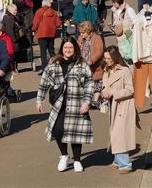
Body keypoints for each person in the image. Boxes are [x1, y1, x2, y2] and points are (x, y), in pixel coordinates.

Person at [36, 37, 94, 173]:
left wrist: (87, 102)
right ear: (62, 48)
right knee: (57, 130)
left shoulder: (82, 64)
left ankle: (78, 160)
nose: (68, 50)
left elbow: (89, 83)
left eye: (71, 47)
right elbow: (44, 81)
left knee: (75, 132)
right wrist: (39, 100)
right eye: (65, 47)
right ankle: (64, 155)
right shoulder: (53, 63)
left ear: (75, 49)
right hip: (59, 103)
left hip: (77, 103)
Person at [100, 45, 138, 173]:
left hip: (123, 106)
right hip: (113, 105)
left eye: (109, 58)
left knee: (120, 135)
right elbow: (105, 86)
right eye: (105, 58)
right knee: (115, 133)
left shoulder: (125, 71)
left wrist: (112, 93)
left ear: (115, 57)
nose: (107, 60)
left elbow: (130, 90)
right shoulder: (107, 70)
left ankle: (125, 164)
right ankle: (117, 160)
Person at [77, 21, 105, 106]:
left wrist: (92, 60)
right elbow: (77, 49)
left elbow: (99, 51)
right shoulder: (80, 38)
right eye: (80, 33)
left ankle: (96, 100)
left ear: (88, 31)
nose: (81, 34)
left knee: (96, 81)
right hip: (83, 64)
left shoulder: (97, 38)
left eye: (83, 32)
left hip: (94, 65)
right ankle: (87, 100)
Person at [33, 0, 62, 74]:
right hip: (51, 34)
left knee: (43, 52)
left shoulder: (39, 11)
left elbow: (35, 24)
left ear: (42, 4)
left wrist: (34, 29)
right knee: (51, 51)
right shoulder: (54, 12)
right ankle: (55, 67)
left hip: (41, 34)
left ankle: (44, 68)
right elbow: (58, 24)